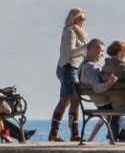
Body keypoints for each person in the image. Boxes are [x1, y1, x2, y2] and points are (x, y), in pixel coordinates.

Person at [49, 8, 90, 142]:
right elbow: (71, 52)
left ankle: (53, 134)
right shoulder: (70, 32)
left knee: (64, 100)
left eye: (84, 18)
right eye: (80, 18)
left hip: (71, 68)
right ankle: (74, 133)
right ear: (74, 18)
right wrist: (87, 47)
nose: (83, 21)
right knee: (75, 99)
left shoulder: (78, 33)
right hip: (68, 68)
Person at [78, 39, 117, 141]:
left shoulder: (81, 66)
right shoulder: (92, 67)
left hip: (99, 104)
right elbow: (96, 87)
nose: (102, 55)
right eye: (101, 51)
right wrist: (109, 84)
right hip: (106, 104)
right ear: (95, 50)